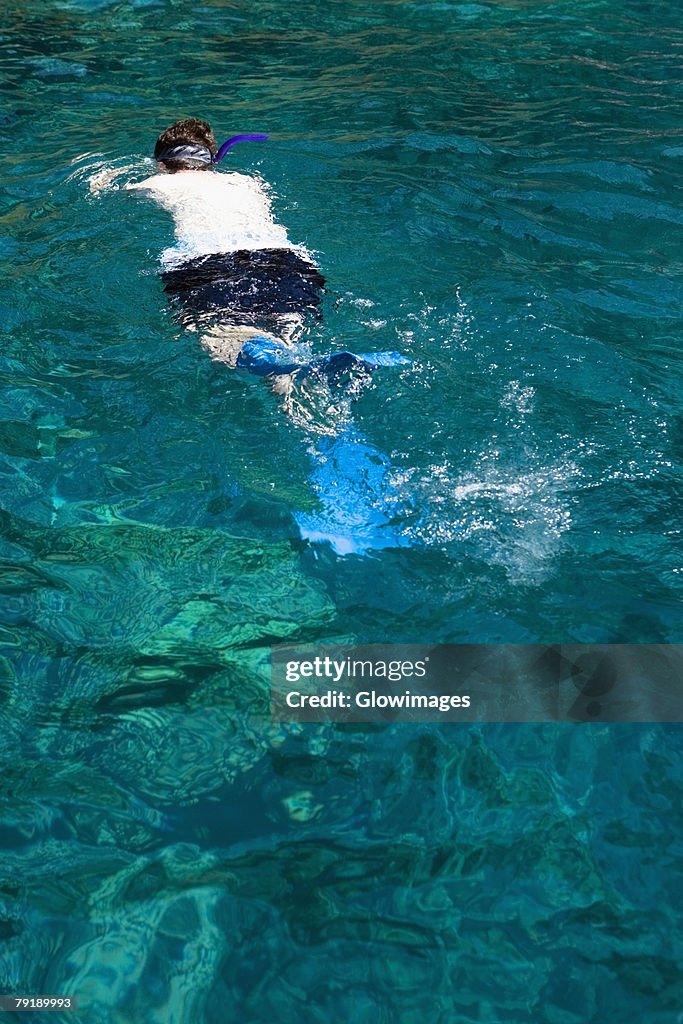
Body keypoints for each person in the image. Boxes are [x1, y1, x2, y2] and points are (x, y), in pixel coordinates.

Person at [118, 117, 409, 381]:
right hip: (284, 261)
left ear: (162, 164)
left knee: (221, 343)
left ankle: (279, 368)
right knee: (285, 350)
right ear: (212, 161)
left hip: (209, 262)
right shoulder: (245, 182)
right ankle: (335, 432)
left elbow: (110, 188)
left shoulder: (157, 183)